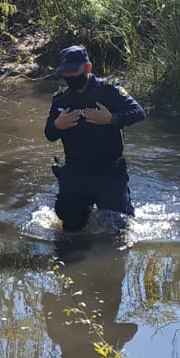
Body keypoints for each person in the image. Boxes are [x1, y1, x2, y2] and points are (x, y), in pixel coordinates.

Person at [43, 45, 145, 232]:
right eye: (66, 72)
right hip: (76, 173)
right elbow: (50, 134)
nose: (70, 76)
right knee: (70, 231)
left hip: (109, 173)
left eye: (74, 71)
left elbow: (138, 112)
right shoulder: (60, 99)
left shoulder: (109, 91)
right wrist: (58, 125)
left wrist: (111, 119)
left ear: (88, 68)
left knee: (119, 230)